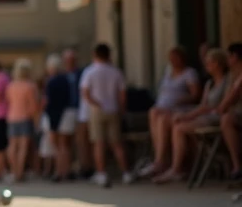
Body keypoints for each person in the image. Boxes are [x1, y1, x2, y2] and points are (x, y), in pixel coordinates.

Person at [156, 47, 230, 184]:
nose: (206, 65)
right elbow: (202, 106)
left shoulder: (227, 82)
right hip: (206, 116)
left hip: (217, 117)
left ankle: (177, 168)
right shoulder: (210, 83)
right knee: (175, 122)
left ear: (218, 64)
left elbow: (217, 107)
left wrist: (188, 116)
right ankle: (176, 165)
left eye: (210, 62)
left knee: (179, 128)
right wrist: (187, 115)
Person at [137, 46, 201, 179]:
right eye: (170, 58)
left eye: (175, 57)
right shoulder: (168, 72)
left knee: (162, 120)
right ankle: (159, 158)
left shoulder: (189, 73)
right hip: (163, 108)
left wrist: (178, 101)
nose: (172, 60)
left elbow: (195, 95)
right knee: (154, 113)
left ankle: (161, 161)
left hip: (180, 109)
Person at [79, 43, 130, 186]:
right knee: (116, 142)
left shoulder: (90, 72)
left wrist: (96, 103)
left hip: (97, 110)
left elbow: (85, 93)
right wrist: (121, 109)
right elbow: (122, 95)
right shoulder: (116, 72)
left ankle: (101, 173)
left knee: (98, 143)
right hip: (113, 109)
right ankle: (126, 172)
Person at [5, 58, 39, 182]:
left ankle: (14, 172)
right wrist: (36, 120)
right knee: (23, 148)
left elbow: (9, 102)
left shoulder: (11, 86)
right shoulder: (30, 86)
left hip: (12, 118)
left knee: (12, 147)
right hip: (25, 118)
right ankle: (19, 173)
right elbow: (33, 107)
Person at [42, 53, 73, 182]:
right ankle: (65, 171)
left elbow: (49, 101)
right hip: (66, 113)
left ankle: (59, 172)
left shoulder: (52, 81)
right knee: (65, 145)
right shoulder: (66, 79)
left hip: (55, 115)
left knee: (58, 146)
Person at [217, 43, 242, 183]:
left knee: (226, 120)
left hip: (237, 114)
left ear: (235, 57)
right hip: (236, 114)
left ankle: (237, 165)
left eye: (229, 57)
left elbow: (228, 101)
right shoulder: (233, 77)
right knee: (226, 119)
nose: (227, 60)